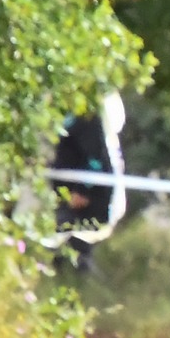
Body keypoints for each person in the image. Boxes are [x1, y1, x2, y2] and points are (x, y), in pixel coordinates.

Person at [48, 92, 127, 273]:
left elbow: (96, 162)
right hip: (76, 196)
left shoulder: (89, 122)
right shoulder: (76, 119)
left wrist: (82, 190)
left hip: (94, 204)